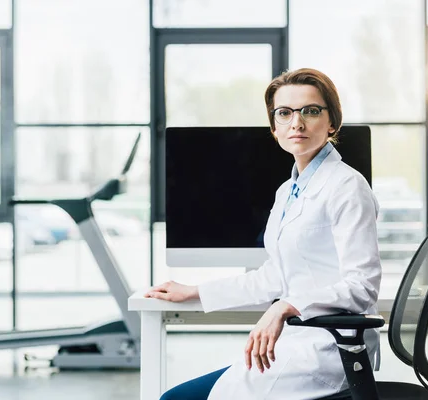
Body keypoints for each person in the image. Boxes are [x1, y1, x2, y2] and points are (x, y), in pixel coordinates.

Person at [145, 68, 382, 400]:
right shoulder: (288, 190)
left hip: (328, 348)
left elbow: (362, 285)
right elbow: (274, 276)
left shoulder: (347, 186)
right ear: (274, 127)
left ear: (332, 123)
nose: (296, 123)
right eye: (284, 113)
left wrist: (285, 306)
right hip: (296, 342)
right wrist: (194, 291)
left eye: (311, 111)